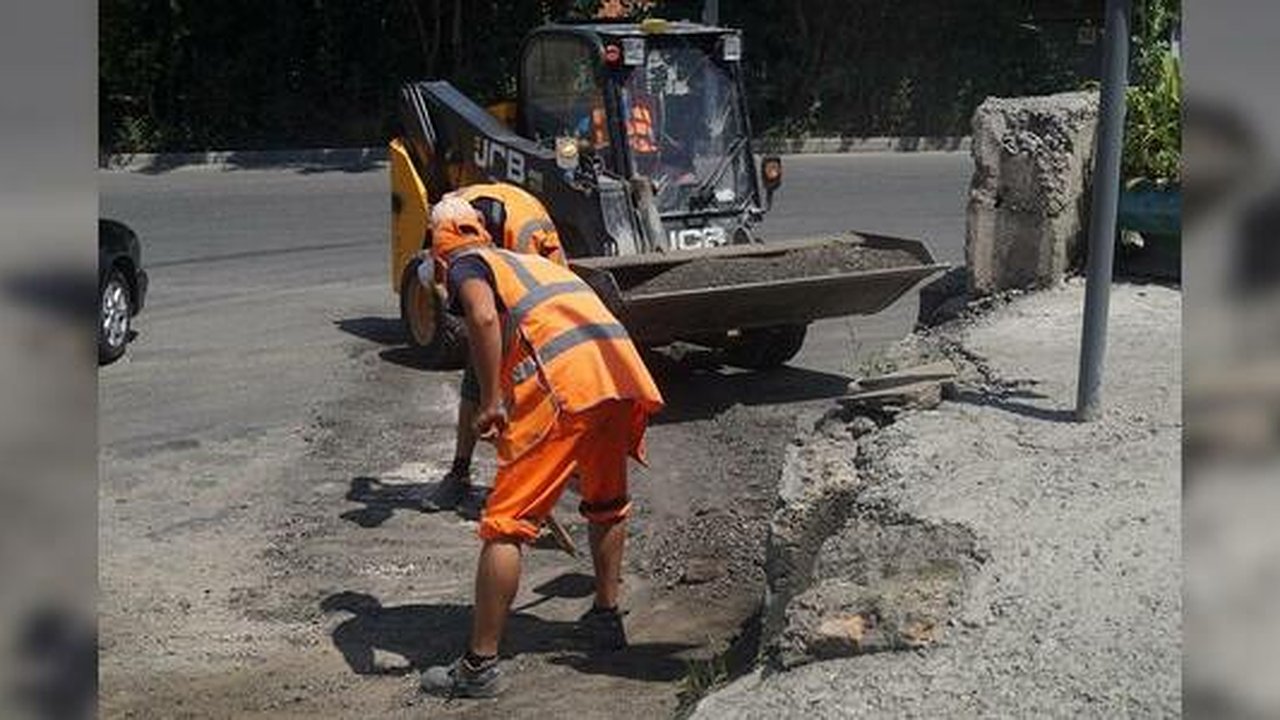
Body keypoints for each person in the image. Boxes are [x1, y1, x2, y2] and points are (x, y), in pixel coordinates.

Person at [417, 195, 664, 698]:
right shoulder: (529, 263)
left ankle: (478, 667)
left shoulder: (465, 262)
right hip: (617, 377)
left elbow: (484, 321)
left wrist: (489, 402)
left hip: (568, 388)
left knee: (505, 524)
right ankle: (605, 618)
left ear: (441, 252)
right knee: (606, 502)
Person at [415, 182, 567, 518]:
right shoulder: (454, 213)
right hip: (516, 290)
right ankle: (461, 472)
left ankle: (532, 482)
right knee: (480, 367)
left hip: (545, 308)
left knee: (523, 386)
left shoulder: (518, 239)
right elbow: (478, 317)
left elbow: (503, 315)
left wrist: (493, 397)